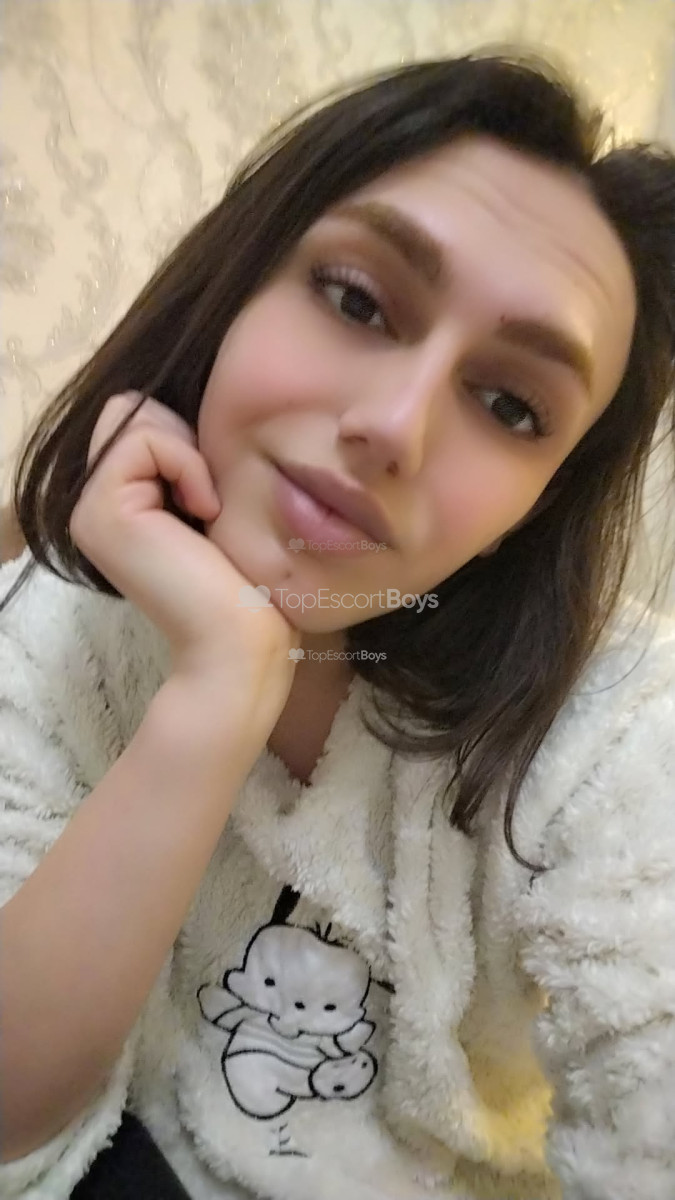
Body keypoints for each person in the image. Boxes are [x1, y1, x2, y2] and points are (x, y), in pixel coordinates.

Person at [1, 47, 675, 1200]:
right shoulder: (62, 621)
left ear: (532, 509)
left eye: (510, 405)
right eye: (358, 301)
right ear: (236, 288)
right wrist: (219, 687)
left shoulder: (619, 735)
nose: (396, 426)